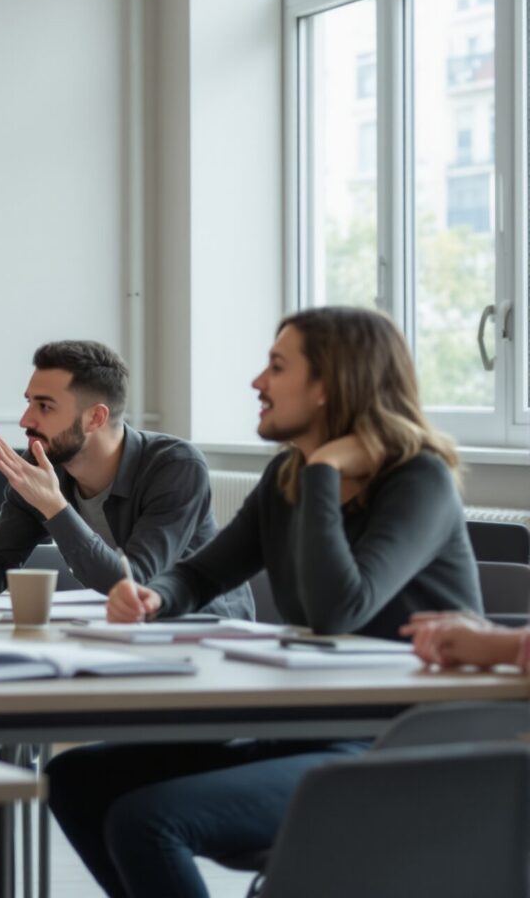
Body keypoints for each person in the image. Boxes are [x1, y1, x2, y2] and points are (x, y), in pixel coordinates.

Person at [50, 306, 480, 898]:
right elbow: (204, 573)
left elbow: (339, 612)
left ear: (330, 385)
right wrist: (154, 595)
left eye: (277, 367)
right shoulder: (288, 477)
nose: (257, 382)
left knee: (147, 819)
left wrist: (325, 471)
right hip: (305, 728)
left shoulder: (417, 480)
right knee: (74, 777)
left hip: (397, 745)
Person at [0, 340, 252, 618]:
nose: (26, 420)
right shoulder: (42, 463)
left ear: (96, 417)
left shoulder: (175, 466)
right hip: (121, 628)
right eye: (29, 403)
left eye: (45, 406)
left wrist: (55, 507)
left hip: (206, 630)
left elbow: (133, 584)